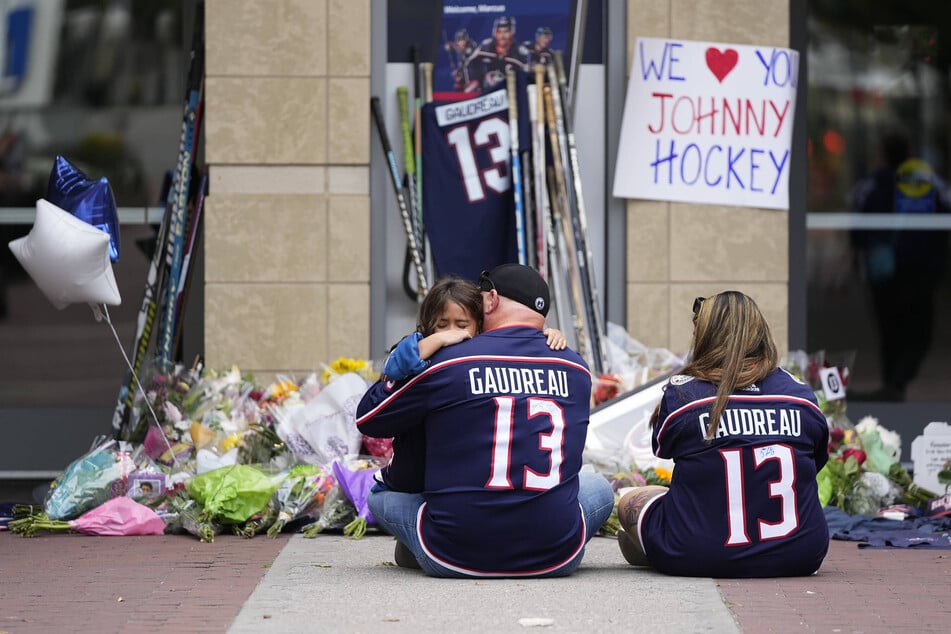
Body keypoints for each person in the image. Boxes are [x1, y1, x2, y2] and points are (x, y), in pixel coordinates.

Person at [356, 263, 614, 578]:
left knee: (379, 494)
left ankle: (420, 541)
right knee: (598, 486)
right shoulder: (577, 368)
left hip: (451, 555)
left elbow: (368, 420)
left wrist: (419, 352)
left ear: (490, 302)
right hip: (557, 557)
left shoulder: (448, 361)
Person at [616, 291, 830, 578]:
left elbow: (662, 449)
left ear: (705, 336)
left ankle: (649, 546)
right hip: (801, 554)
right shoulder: (801, 395)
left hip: (696, 554)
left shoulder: (685, 395)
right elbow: (815, 462)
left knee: (633, 499)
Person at [377, 275, 566, 494]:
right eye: (442, 325)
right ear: (428, 325)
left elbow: (521, 345)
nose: (452, 332)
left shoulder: (482, 356)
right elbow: (392, 366)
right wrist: (436, 340)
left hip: (475, 469)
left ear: (479, 326)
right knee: (379, 497)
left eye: (462, 325)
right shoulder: (420, 348)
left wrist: (547, 336)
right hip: (420, 468)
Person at [850, 130, 950, 401]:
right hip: (920, 269)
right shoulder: (928, 183)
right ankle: (896, 382)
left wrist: (860, 256)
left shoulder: (873, 185)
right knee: (918, 330)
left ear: (882, 156)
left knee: (891, 329)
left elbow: (857, 226)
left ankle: (894, 382)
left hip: (886, 272)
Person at [468, 16, 529, 92]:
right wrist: (477, 80)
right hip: (485, 91)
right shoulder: (485, 46)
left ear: (512, 32)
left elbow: (527, 74)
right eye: (499, 32)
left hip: (512, 90)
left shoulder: (520, 51)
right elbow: (470, 63)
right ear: (494, 32)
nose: (502, 36)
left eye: (506, 31)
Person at [445, 29, 479, 93]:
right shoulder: (461, 52)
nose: (458, 43)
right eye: (457, 41)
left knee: (467, 92)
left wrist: (452, 46)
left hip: (476, 81)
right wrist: (458, 72)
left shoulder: (471, 46)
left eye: (460, 40)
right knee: (457, 87)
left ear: (465, 40)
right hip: (466, 81)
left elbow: (467, 57)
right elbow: (463, 65)